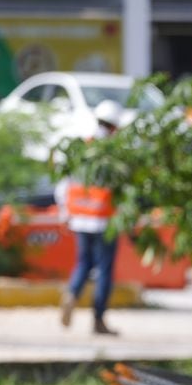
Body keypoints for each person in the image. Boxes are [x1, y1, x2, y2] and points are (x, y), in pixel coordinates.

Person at [56, 99, 125, 336]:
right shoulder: (114, 154)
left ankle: (71, 293)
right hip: (105, 219)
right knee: (104, 269)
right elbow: (124, 190)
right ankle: (98, 320)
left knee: (83, 263)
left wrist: (65, 211)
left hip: (79, 216)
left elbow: (64, 182)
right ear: (115, 126)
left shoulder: (83, 147)